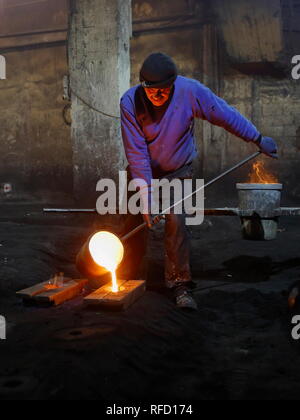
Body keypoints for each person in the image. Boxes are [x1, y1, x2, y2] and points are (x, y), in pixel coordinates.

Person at [120, 52, 278, 310]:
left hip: (178, 169)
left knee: (176, 222)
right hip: (143, 169)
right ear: (142, 85)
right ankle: (128, 277)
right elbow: (136, 153)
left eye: (164, 90)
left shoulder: (190, 91)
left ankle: (180, 284)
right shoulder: (129, 101)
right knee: (133, 220)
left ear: (174, 83)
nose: (158, 96)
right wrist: (147, 198)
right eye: (152, 91)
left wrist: (258, 138)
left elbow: (225, 115)